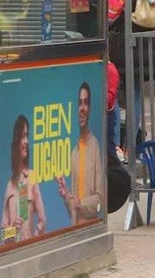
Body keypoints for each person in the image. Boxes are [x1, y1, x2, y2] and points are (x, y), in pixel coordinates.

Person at [57, 82, 104, 224]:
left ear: (89, 109)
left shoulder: (96, 146)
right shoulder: (74, 152)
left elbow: (100, 199)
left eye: (85, 103)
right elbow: (72, 209)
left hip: (91, 227)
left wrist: (80, 203)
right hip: (75, 227)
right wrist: (66, 196)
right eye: (79, 103)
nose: (82, 108)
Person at [2, 115, 46, 242]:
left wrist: (33, 241)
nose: (26, 141)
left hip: (30, 252)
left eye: (27, 136)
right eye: (22, 136)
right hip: (13, 254)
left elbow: (43, 220)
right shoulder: (9, 186)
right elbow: (3, 235)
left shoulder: (31, 177)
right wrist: (13, 229)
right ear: (16, 142)